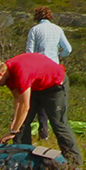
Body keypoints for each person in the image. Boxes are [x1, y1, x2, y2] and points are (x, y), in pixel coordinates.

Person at [0, 52, 81, 169]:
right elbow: (18, 100)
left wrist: (13, 132)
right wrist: (13, 127)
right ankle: (21, 159)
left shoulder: (19, 71)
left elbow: (25, 106)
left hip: (54, 86)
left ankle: (74, 163)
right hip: (35, 86)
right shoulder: (8, 78)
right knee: (22, 124)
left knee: (59, 124)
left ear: (0, 73)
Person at [24, 7, 72, 142]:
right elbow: (68, 49)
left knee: (36, 99)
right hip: (54, 70)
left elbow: (29, 52)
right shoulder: (58, 29)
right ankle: (47, 132)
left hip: (38, 69)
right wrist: (59, 55)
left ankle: (36, 131)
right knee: (52, 100)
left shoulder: (34, 30)